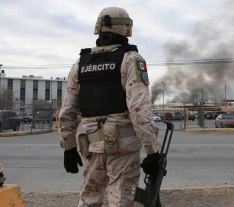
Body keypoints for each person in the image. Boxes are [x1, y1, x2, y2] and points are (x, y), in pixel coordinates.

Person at [58, 7, 161, 207]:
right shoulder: (131, 59)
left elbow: (67, 111)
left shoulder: (80, 63)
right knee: (120, 200)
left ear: (99, 28)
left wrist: (68, 147)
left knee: (89, 198)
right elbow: (139, 109)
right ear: (125, 29)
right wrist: (152, 151)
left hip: (92, 144)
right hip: (123, 146)